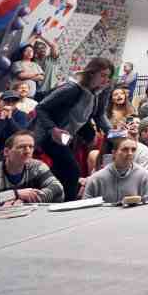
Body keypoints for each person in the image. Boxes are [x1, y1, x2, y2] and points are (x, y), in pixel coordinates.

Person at [33, 57, 114, 201]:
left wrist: (113, 133)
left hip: (66, 135)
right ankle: (68, 203)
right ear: (91, 73)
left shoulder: (98, 92)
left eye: (108, 76)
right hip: (49, 134)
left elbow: (99, 115)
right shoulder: (71, 88)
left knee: (61, 169)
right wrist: (53, 129)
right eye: (102, 75)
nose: (105, 79)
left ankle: (52, 198)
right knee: (72, 170)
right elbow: (40, 108)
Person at [0, 131, 64, 211]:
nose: (28, 151)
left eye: (31, 147)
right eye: (22, 147)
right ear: (7, 152)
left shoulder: (37, 166)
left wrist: (24, 200)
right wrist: (16, 194)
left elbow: (58, 188)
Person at [83, 135, 148, 204]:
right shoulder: (96, 179)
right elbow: (85, 208)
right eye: (125, 149)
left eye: (133, 150)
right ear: (114, 153)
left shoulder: (145, 176)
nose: (130, 153)